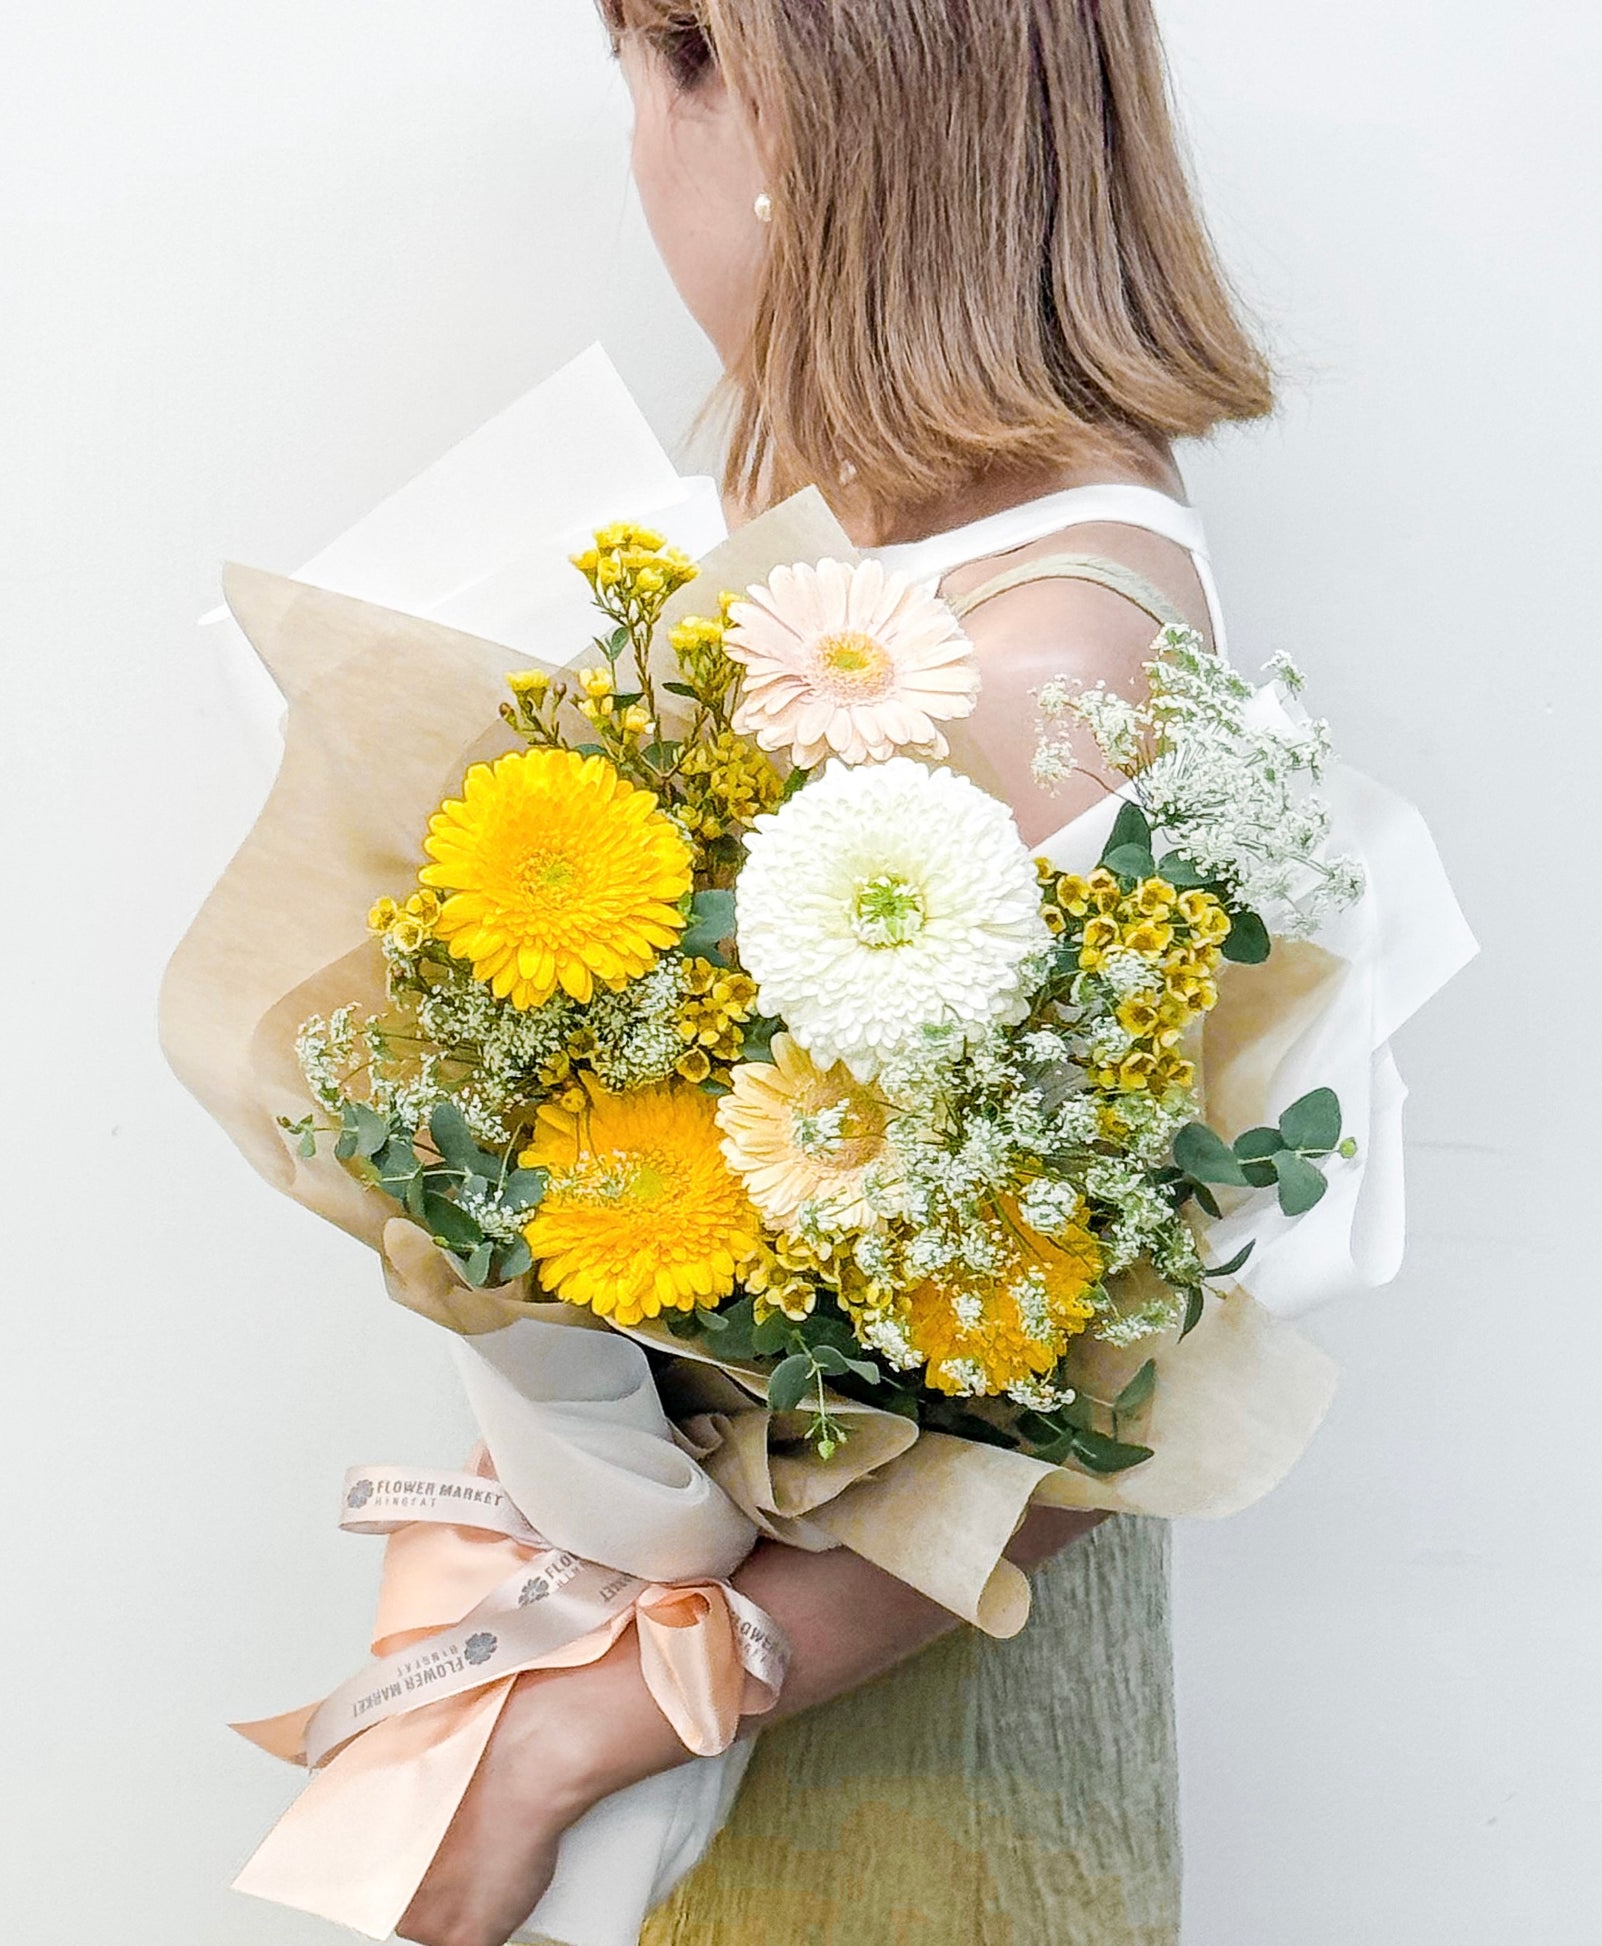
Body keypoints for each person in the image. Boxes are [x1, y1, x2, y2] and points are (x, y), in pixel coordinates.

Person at [402, 3, 1272, 1940]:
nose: (638, 141)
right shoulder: (873, 556)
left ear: (781, 95)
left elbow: (1096, 1390)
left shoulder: (1040, 642)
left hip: (875, 1784)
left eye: (652, 60)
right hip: (698, 1710)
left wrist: (588, 1726)